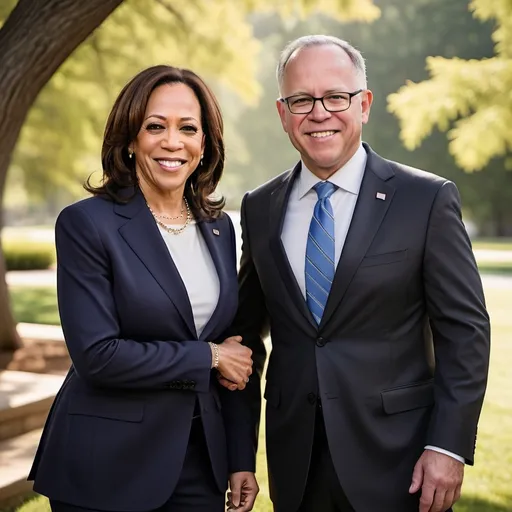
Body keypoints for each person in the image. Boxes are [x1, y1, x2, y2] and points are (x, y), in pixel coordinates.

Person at [228, 35, 490, 512]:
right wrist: (239, 453)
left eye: (336, 97)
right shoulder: (259, 208)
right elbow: (245, 343)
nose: (319, 112)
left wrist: (448, 446)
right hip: (296, 461)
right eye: (301, 100)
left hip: (401, 460)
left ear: (364, 104)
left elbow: (465, 332)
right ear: (283, 113)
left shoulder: (426, 199)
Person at [28, 65, 259, 512]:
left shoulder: (219, 230)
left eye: (188, 128)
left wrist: (239, 456)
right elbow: (98, 356)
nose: (173, 142)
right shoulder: (87, 224)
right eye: (155, 126)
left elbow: (233, 352)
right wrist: (208, 357)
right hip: (107, 464)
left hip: (200, 463)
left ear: (205, 143)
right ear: (131, 138)